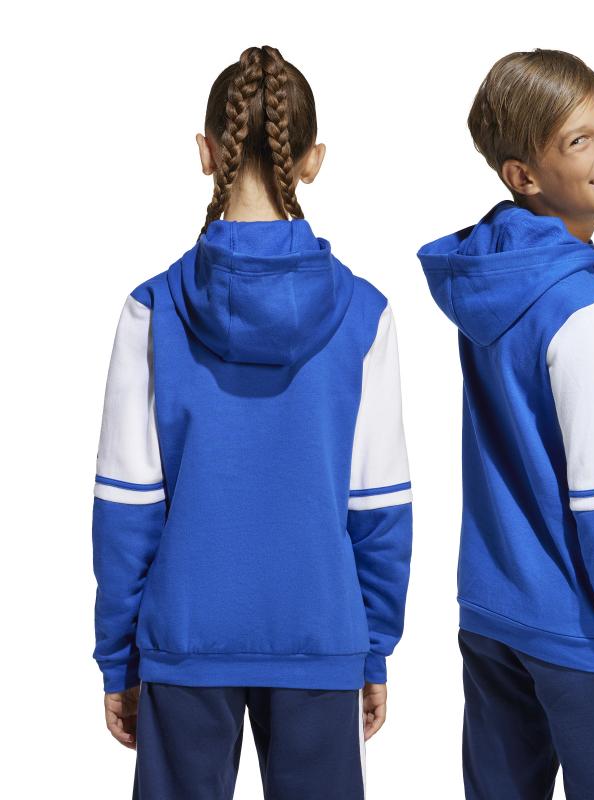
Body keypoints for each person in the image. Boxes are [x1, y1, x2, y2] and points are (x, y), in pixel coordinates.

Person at [91, 45, 413, 800]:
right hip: (321, 631)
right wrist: (370, 649)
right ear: (314, 160)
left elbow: (127, 509)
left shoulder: (151, 311)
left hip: (185, 637)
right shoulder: (366, 316)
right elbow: (380, 510)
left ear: (207, 152)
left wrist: (119, 659)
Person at [417, 49, 594, 799]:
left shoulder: (493, 283)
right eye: (578, 139)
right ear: (523, 175)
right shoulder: (587, 318)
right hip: (584, 641)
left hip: (492, 620)